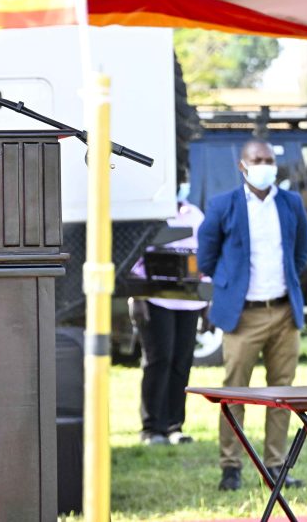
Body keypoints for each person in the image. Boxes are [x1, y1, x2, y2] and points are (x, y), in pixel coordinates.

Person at [196, 139, 307, 492]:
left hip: (284, 312)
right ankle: (231, 467)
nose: (264, 165)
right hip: (243, 316)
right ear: (242, 165)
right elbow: (206, 258)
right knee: (234, 393)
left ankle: (275, 466)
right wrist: (231, 287)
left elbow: (301, 253)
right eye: (257, 159)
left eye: (268, 159)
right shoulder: (224, 205)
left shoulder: (291, 203)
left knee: (282, 393)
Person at [132, 180, 208, 446]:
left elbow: (205, 258)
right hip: (156, 299)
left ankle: (175, 425)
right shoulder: (148, 215)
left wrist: (207, 297)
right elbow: (134, 258)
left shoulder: (195, 215)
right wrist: (138, 297)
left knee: (181, 361)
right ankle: (152, 428)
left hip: (189, 301)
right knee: (158, 360)